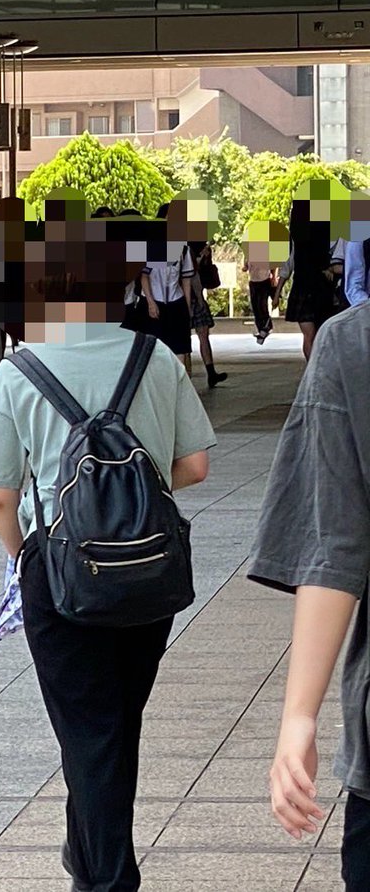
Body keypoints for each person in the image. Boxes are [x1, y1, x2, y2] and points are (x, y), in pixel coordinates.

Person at [0, 269, 215, 891]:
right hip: (147, 570)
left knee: (90, 730)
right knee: (112, 724)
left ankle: (106, 879)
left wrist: (31, 552)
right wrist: (127, 501)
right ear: (124, 290)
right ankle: (88, 861)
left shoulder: (18, 371)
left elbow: (0, 497)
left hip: (58, 573)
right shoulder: (154, 356)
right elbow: (195, 465)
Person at [247, 303, 370, 892]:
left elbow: (334, 545)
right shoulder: (353, 345)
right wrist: (299, 716)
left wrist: (300, 717)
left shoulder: (355, 343)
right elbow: (334, 546)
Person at [285, 196, 345, 362]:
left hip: (302, 285)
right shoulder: (326, 229)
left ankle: (312, 371)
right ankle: (320, 370)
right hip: (323, 285)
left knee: (308, 337)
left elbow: (290, 260)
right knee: (321, 334)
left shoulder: (297, 234)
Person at [139, 203, 195, 368]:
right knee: (155, 348)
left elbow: (186, 280)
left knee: (180, 348)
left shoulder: (184, 248)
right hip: (153, 301)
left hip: (175, 301)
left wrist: (187, 307)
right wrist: (150, 303)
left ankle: (179, 386)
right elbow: (144, 276)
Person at [187, 239, 227, 387]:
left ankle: (210, 372)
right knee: (198, 336)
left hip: (191, 295)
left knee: (201, 335)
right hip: (189, 296)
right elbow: (191, 273)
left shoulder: (193, 244)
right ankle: (205, 372)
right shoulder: (187, 247)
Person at [245, 254, 280, 343]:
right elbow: (246, 265)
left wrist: (273, 278)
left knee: (261, 304)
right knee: (255, 306)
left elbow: (274, 265)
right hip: (253, 281)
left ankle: (267, 326)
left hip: (264, 280)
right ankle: (260, 328)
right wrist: (245, 267)